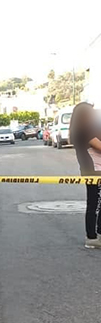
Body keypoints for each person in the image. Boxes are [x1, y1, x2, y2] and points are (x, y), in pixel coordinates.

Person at [70, 102, 101, 249]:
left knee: (96, 204)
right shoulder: (84, 131)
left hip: (93, 170)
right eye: (91, 113)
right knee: (94, 205)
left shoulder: (84, 129)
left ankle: (96, 235)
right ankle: (92, 237)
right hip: (94, 171)